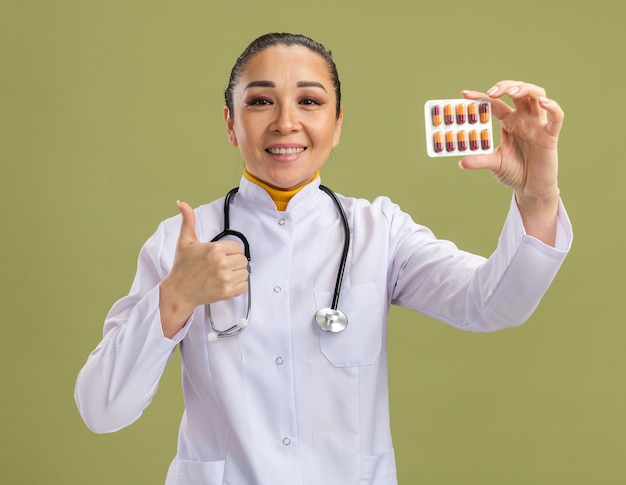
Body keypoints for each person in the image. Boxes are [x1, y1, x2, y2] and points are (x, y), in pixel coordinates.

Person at [75, 32, 572, 484]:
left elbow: (493, 306)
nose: (285, 122)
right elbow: (101, 409)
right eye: (261, 101)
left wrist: (537, 195)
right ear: (230, 124)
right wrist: (175, 297)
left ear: (336, 126)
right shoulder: (181, 242)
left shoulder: (379, 232)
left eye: (309, 102)